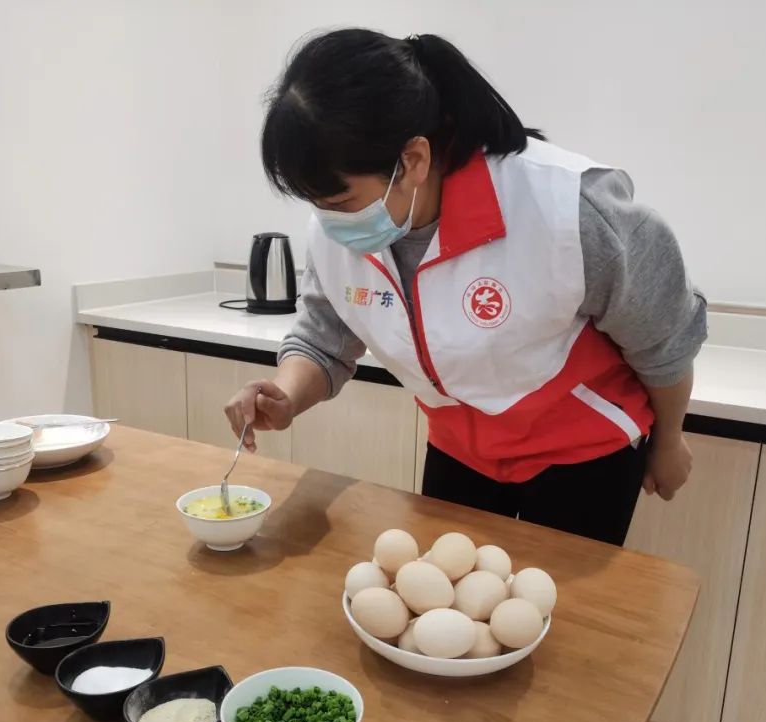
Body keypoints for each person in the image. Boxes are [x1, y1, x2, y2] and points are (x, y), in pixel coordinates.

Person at [224, 29, 706, 546]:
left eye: (341, 202)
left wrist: (668, 443)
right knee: (444, 586)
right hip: (460, 446)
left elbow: (665, 340)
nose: (328, 220)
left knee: (556, 596)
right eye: (315, 204)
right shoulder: (337, 227)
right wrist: (286, 394)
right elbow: (324, 336)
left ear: (413, 160)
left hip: (583, 449)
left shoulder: (567, 207)